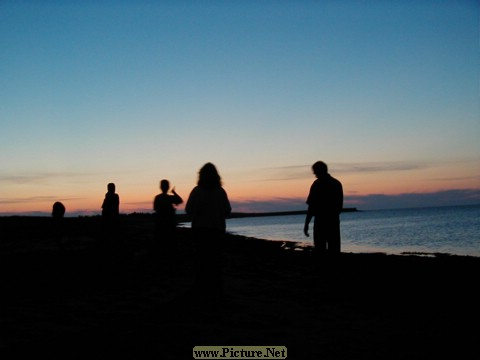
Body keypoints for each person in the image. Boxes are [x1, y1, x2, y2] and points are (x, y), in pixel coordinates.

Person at [185, 163, 232, 301]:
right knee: (215, 262)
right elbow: (227, 211)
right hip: (217, 231)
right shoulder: (220, 191)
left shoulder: (197, 191)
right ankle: (215, 292)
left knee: (202, 261)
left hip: (200, 231)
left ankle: (202, 290)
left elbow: (189, 210)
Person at [304, 161, 343, 253]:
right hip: (333, 221)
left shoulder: (317, 184)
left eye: (315, 171)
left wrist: (306, 224)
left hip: (321, 222)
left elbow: (311, 207)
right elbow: (339, 206)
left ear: (319, 171)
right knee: (334, 249)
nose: (314, 173)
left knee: (320, 249)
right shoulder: (336, 183)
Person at [153, 179, 183, 251]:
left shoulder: (158, 197)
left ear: (161, 187)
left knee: (161, 244)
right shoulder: (169, 198)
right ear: (168, 187)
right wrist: (174, 192)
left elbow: (155, 208)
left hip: (160, 224)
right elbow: (180, 200)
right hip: (169, 224)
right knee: (170, 244)